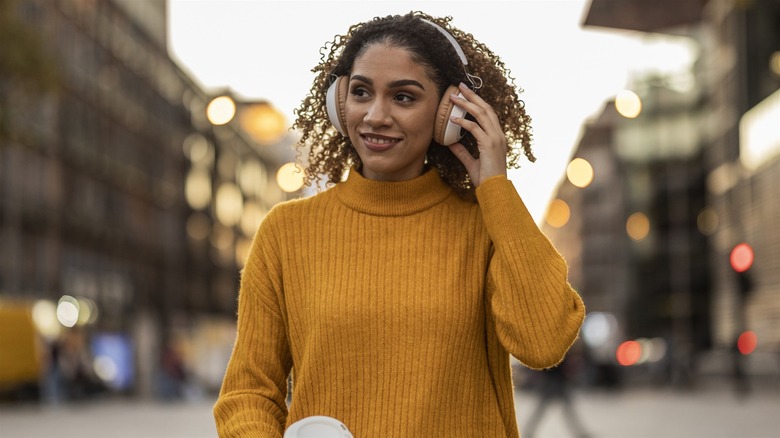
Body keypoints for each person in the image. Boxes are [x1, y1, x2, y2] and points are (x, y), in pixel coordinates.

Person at [213, 11, 585, 438]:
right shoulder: (286, 232)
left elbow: (543, 342)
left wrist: (496, 190)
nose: (375, 115)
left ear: (450, 113)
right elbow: (248, 393)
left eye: (403, 97)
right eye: (361, 92)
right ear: (339, 104)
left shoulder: (487, 226)